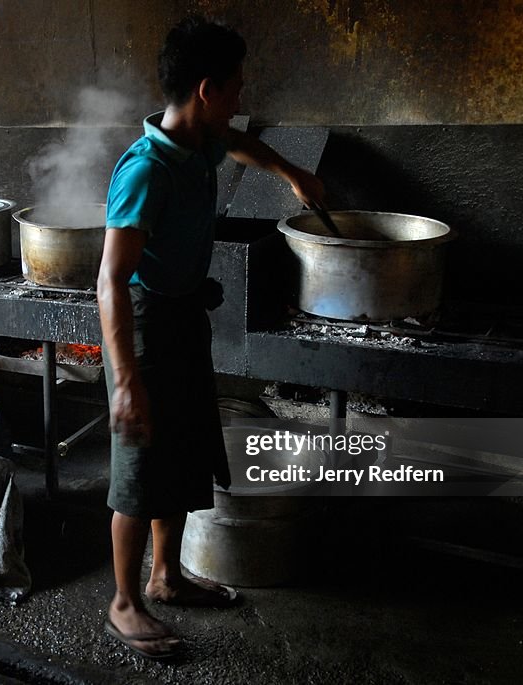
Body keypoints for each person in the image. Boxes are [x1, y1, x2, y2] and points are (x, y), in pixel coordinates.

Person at [97, 16, 327, 659]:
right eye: (236, 89)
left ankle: (166, 578)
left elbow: (244, 146)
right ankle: (124, 603)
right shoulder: (146, 169)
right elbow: (110, 280)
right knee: (140, 465)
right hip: (143, 323)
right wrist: (125, 383)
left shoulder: (203, 141)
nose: (240, 100)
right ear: (207, 89)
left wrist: (291, 174)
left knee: (187, 446)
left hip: (182, 318)